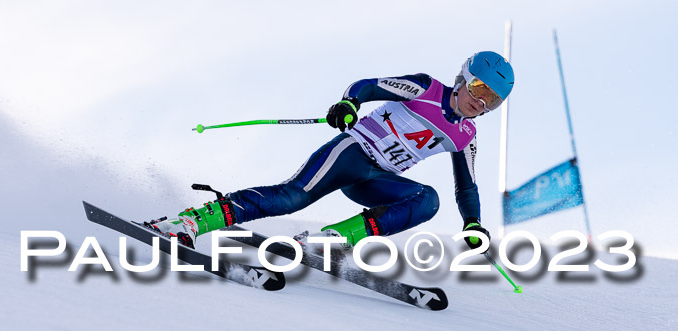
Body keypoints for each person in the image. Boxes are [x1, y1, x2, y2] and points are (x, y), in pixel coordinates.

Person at [146, 51, 514, 254]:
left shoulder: (465, 135)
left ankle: (332, 239)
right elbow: (367, 85)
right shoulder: (426, 89)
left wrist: (472, 224)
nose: (480, 102)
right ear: (463, 77)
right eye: (479, 89)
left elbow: (466, 187)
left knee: (428, 201)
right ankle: (187, 223)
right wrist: (349, 104)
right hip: (352, 152)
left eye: (492, 100)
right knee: (290, 199)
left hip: (376, 181)